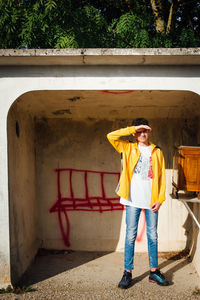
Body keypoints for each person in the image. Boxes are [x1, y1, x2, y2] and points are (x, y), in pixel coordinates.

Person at [107, 118, 169, 289]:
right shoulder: (127, 147)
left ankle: (154, 272)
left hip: (151, 201)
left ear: (149, 131)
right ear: (135, 133)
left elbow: (162, 177)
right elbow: (111, 136)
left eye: (145, 131)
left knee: (153, 236)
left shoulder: (157, 151)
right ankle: (127, 272)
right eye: (139, 131)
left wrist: (160, 198)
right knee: (130, 236)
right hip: (132, 199)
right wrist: (132, 128)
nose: (142, 134)